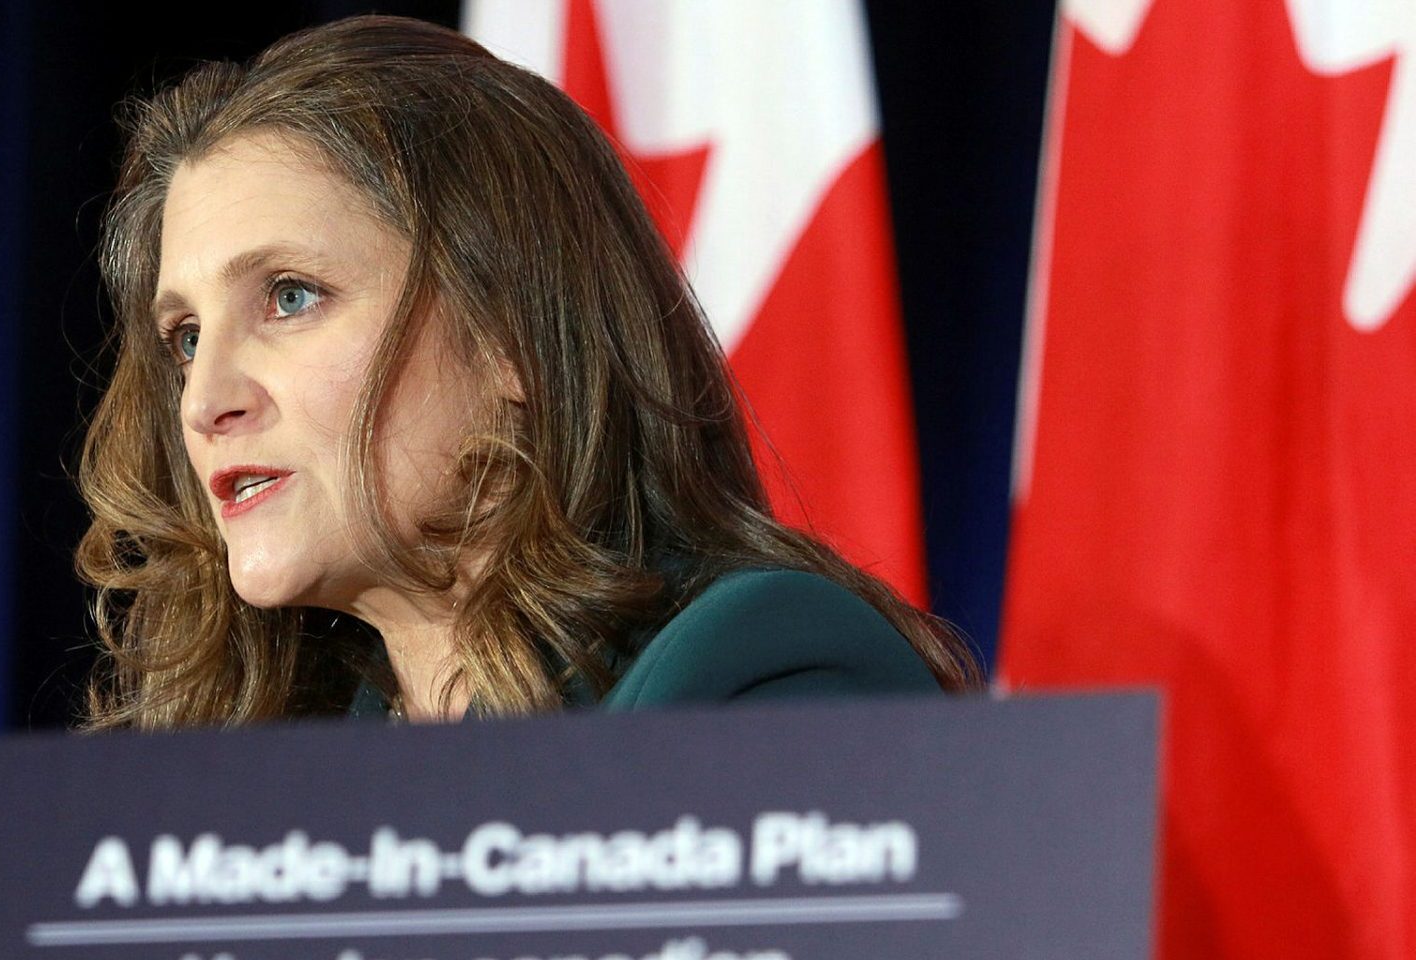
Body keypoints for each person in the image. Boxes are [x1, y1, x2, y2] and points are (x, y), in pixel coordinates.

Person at [75, 15, 981, 730]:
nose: (203, 401)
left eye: (291, 297)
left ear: (512, 332)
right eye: (187, 336)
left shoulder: (756, 674)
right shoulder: (266, 774)